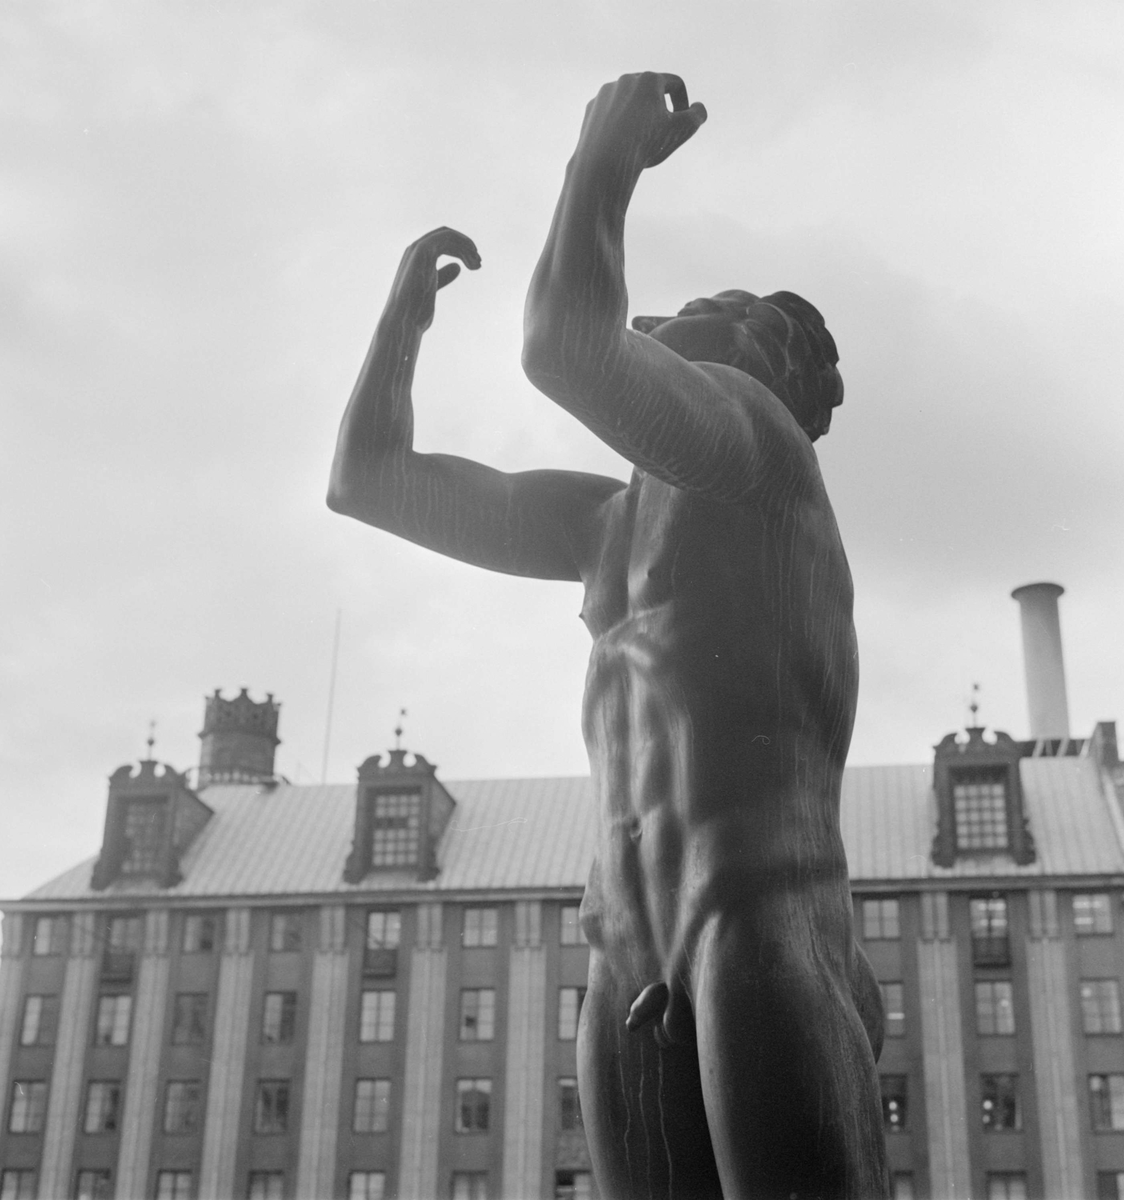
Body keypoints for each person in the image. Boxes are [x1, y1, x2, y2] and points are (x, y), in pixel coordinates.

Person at [329, 71, 888, 1200]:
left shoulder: (757, 442)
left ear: (750, 353)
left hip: (758, 924)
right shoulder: (606, 523)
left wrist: (600, 166)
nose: (654, 322)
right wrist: (401, 325)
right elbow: (371, 484)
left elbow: (566, 348)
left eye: (695, 314)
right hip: (625, 946)